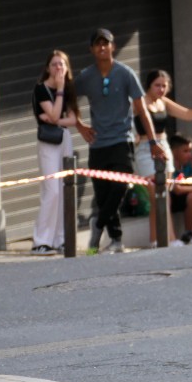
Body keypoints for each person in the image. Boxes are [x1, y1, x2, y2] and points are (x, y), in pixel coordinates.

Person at [73, 28, 156, 255]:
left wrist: (153, 141)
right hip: (98, 144)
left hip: (122, 140)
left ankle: (98, 224)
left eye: (106, 43)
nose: (102, 47)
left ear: (113, 46)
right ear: (91, 49)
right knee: (104, 195)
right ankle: (116, 240)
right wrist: (80, 125)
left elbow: (141, 110)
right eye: (97, 44)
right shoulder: (86, 76)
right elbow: (68, 97)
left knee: (120, 185)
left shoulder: (126, 73)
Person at [136, 70, 192, 246]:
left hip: (164, 146)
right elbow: (124, 120)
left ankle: (156, 238)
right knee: (157, 195)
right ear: (149, 86)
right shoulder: (139, 102)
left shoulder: (164, 102)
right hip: (145, 148)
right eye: (157, 85)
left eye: (164, 86)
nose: (160, 89)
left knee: (163, 194)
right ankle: (168, 238)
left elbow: (187, 114)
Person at [31, 50, 78, 254]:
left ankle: (60, 239)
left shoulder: (69, 89)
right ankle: (41, 240)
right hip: (49, 140)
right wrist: (59, 91)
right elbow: (57, 113)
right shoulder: (41, 89)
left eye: (62, 64)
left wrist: (54, 119)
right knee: (52, 190)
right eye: (54, 64)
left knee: (64, 188)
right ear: (47, 68)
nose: (58, 68)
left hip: (64, 138)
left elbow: (73, 119)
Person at [167, 134, 192, 241]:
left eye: (190, 151)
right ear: (174, 152)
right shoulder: (170, 167)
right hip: (172, 198)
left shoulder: (188, 166)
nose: (190, 155)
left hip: (184, 197)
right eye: (185, 151)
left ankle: (190, 233)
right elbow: (177, 189)